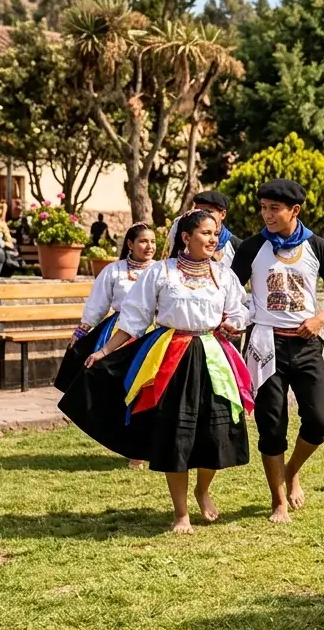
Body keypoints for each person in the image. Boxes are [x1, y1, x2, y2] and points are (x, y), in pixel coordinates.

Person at [57, 210, 253, 533]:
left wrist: (233, 323)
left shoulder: (223, 275)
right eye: (205, 233)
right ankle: (181, 513)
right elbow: (134, 317)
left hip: (212, 356)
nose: (212, 239)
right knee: (177, 434)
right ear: (186, 238)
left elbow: (239, 310)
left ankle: (203, 490)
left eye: (215, 233)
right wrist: (104, 351)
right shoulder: (162, 273)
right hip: (171, 356)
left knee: (215, 430)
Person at [232, 180, 324, 525]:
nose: (267, 215)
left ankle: (292, 469)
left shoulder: (317, 246)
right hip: (264, 344)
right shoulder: (252, 247)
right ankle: (278, 500)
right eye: (264, 208)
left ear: (294, 211)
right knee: (272, 424)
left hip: (306, 343)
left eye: (274, 209)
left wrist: (320, 318)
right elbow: (228, 289)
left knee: (318, 420)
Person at [55, 223, 156, 393]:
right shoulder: (114, 270)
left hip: (151, 329)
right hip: (118, 328)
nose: (150, 247)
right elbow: (98, 302)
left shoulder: (160, 270)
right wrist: (83, 329)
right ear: (130, 244)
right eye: (143, 241)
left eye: (153, 242)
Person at [168, 190, 240, 264]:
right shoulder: (181, 227)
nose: (202, 216)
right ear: (185, 238)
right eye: (198, 211)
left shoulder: (236, 246)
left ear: (223, 214)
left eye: (208, 211)